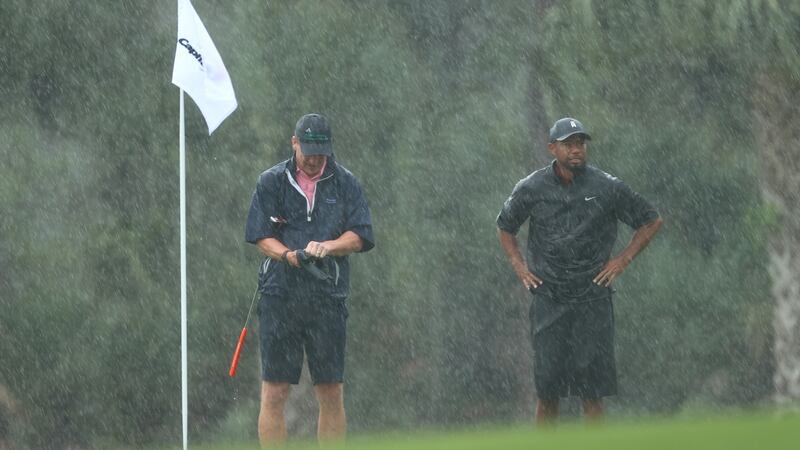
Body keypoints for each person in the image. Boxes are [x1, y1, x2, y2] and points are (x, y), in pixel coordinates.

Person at [496, 117, 662, 424]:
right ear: (552, 148)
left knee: (592, 392)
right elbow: (505, 227)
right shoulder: (532, 187)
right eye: (569, 144)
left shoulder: (606, 186)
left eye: (580, 144)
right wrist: (520, 267)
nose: (576, 150)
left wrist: (622, 260)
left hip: (593, 299)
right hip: (549, 299)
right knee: (548, 393)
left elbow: (651, 220)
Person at [245, 113, 374, 446]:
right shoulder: (271, 181)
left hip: (327, 297)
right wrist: (289, 255)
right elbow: (260, 236)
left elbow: (360, 236)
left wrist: (328, 246)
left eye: (322, 153)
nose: (315, 160)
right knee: (275, 390)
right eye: (309, 152)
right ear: (294, 143)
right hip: (280, 296)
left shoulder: (346, 183)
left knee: (330, 390)